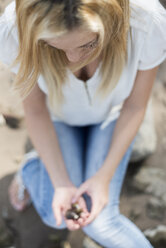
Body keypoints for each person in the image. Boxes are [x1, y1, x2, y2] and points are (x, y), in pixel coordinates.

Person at [0, 0, 166, 247]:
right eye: (52, 45)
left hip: (115, 115)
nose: (73, 59)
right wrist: (61, 183)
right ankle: (32, 166)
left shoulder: (147, 22)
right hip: (58, 118)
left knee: (102, 222)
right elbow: (35, 111)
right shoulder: (15, 29)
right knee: (57, 216)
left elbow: (135, 106)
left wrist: (102, 177)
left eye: (89, 43)